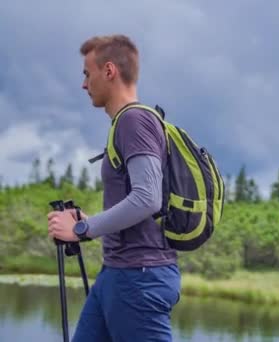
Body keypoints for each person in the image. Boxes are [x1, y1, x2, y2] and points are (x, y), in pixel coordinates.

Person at [47, 34, 181, 342]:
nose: (84, 84)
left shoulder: (133, 121)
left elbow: (148, 198)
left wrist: (83, 229)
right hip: (118, 275)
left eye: (86, 73)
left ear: (109, 71)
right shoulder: (128, 122)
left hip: (139, 279)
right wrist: (86, 220)